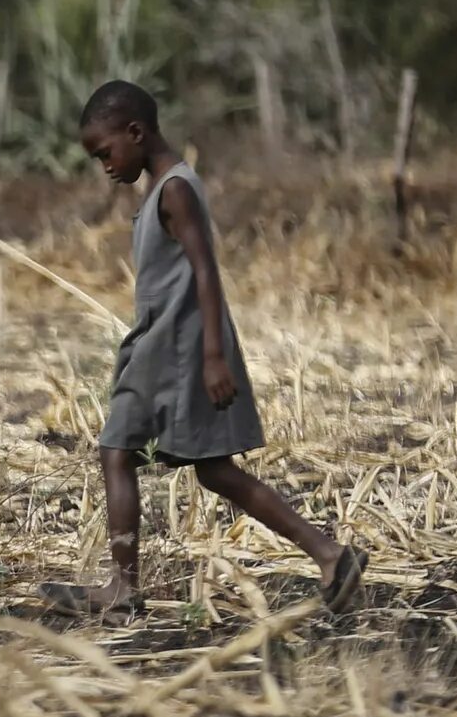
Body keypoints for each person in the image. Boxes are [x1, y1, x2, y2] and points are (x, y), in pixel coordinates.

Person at [47, 80, 364, 617]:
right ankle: (331, 555)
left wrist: (214, 355)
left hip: (178, 348)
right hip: (166, 344)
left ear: (135, 132)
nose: (104, 166)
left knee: (117, 450)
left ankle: (123, 591)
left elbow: (206, 272)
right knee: (214, 470)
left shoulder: (174, 189)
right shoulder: (162, 189)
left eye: (105, 153)